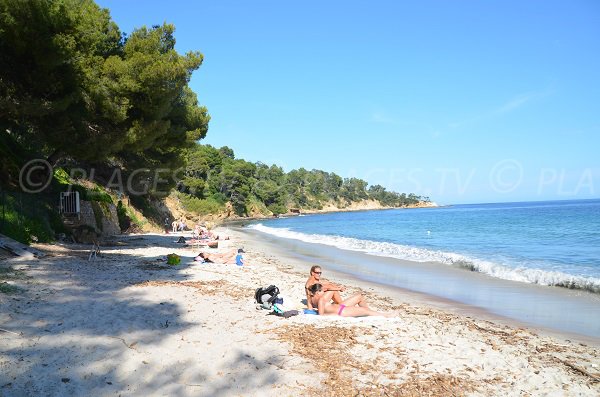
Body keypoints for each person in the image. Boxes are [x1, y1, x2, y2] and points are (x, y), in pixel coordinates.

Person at [308, 283, 395, 317]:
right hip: (341, 311)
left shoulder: (311, 298)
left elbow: (310, 309)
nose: (324, 292)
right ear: (318, 292)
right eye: (322, 291)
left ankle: (372, 313)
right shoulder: (321, 300)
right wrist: (335, 314)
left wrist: (337, 289)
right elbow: (321, 315)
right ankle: (385, 315)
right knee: (364, 310)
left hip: (340, 307)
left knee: (359, 296)